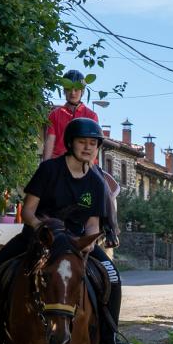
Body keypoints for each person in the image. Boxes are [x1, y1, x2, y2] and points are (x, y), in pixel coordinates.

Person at [0, 117, 137, 344]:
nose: (87, 147)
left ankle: (109, 338)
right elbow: (29, 210)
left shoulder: (96, 181)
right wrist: (43, 228)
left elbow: (93, 222)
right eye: (82, 142)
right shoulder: (49, 170)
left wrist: (90, 240)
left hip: (75, 243)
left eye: (92, 143)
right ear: (70, 143)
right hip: (39, 239)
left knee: (113, 278)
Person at [45, 69, 121, 248]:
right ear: (64, 91)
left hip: (85, 163)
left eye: (77, 90)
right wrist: (45, 165)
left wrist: (89, 163)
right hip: (60, 161)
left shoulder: (91, 115)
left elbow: (94, 143)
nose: (73, 93)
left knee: (104, 187)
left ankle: (112, 229)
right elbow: (50, 139)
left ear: (82, 92)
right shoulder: (55, 115)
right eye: (69, 89)